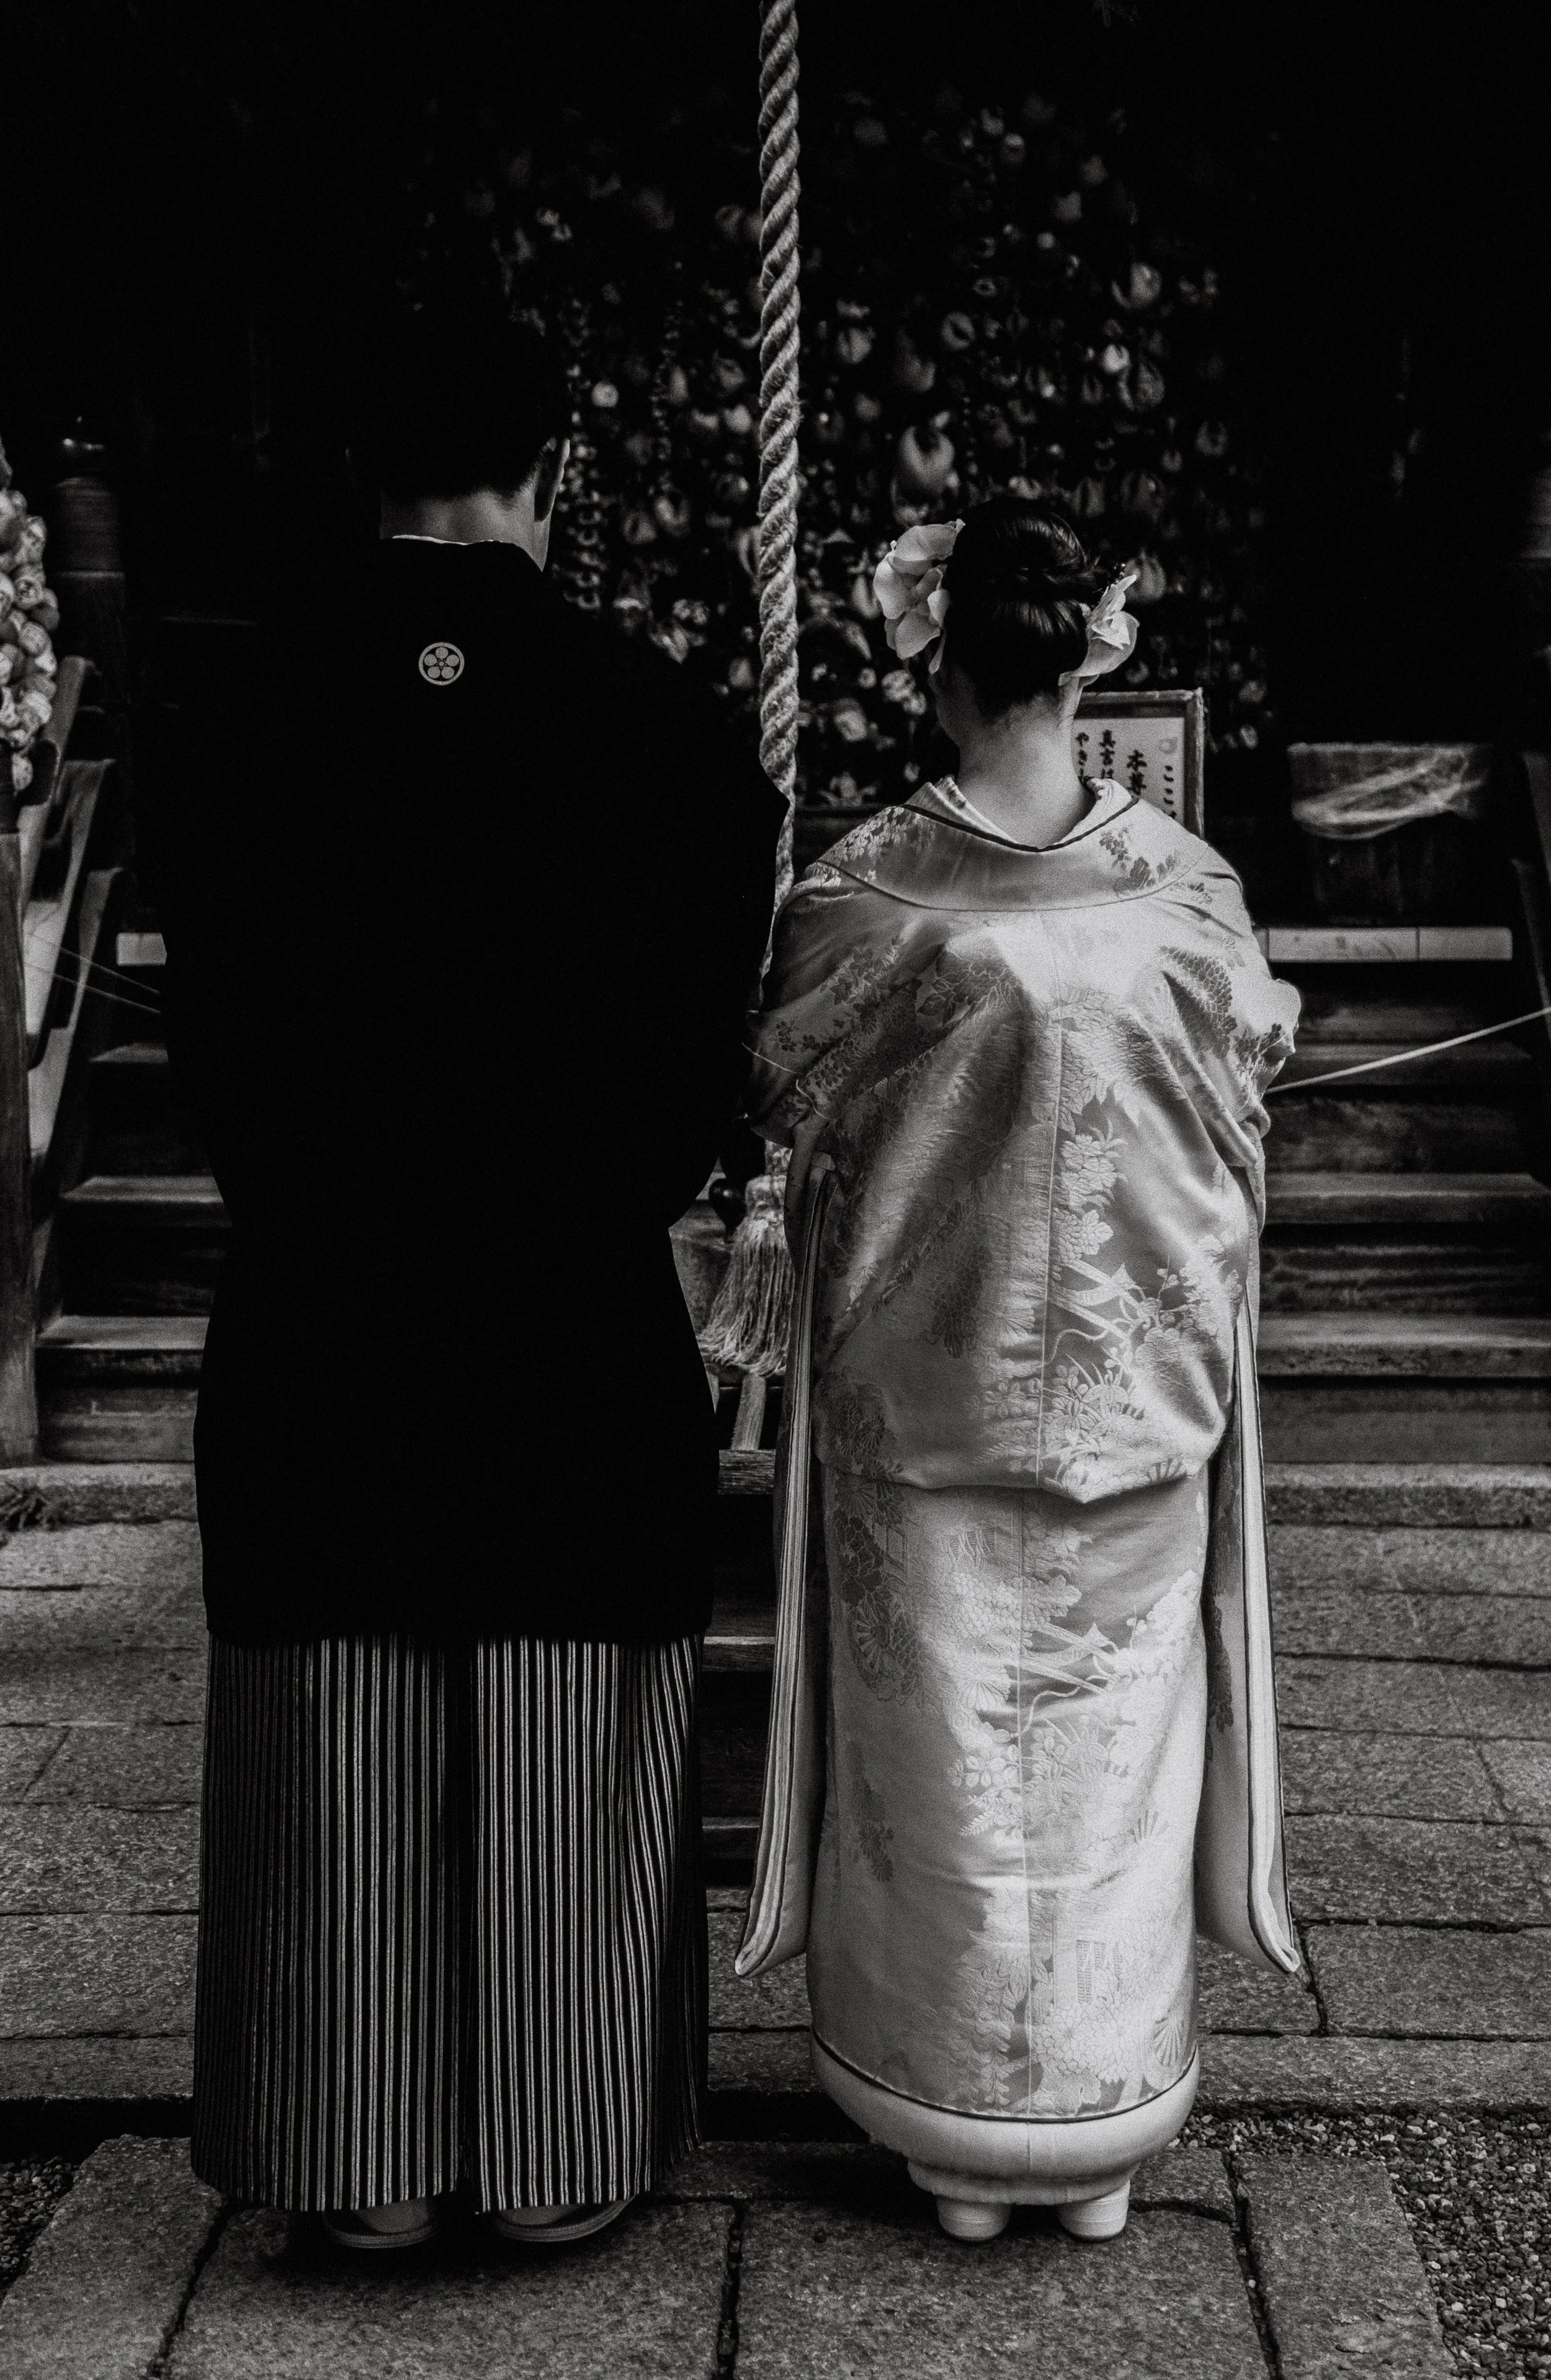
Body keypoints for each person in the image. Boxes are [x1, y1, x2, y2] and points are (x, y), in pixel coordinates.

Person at [149, 305, 784, 2247]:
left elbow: (220, 1053)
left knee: (334, 1710)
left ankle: (347, 2165)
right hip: (564, 1306)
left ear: (360, 473)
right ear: (559, 470)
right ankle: (556, 2149)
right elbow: (690, 1080)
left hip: (326, 1296)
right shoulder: (670, 736)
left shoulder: (229, 722)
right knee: (563, 1702)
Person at [736, 501, 1300, 2243]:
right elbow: (1243, 1088)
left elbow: (789, 1092)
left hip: (928, 1391)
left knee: (948, 1776)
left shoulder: (864, 894)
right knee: (1113, 1781)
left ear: (940, 653)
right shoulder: (1185, 891)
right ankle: (1097, 2134)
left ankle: (947, 2127)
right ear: (1086, 650)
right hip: (1136, 1404)